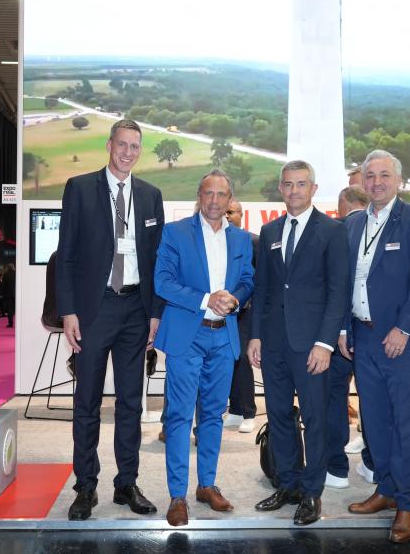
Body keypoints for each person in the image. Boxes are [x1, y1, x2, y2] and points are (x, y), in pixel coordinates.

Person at [56, 118, 164, 521]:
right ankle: (85, 486)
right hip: (94, 309)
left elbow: (156, 261)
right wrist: (68, 310)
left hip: (136, 309)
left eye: (135, 146)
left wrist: (156, 312)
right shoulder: (80, 188)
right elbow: (66, 255)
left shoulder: (150, 195)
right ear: (109, 145)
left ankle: (126, 483)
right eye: (122, 144)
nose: (128, 152)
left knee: (131, 402)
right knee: (86, 401)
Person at [340, 149, 410, 544]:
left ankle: (407, 502)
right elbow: (344, 282)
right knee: (375, 421)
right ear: (361, 182)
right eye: (370, 176)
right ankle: (385, 488)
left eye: (384, 175)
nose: (376, 182)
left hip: (400, 340)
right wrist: (343, 330)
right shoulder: (353, 224)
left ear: (398, 180)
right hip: (362, 337)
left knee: (404, 423)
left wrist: (404, 329)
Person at [249, 160, 350, 526]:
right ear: (281, 188)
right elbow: (262, 289)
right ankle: (288, 484)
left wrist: (325, 343)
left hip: (312, 346)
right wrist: (256, 335)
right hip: (274, 343)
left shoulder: (332, 230)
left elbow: (339, 292)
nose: (294, 190)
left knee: (315, 418)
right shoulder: (270, 230)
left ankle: (311, 492)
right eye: (288, 184)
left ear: (313, 188)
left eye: (301, 184)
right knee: (278, 416)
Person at [154, 170, 254, 526]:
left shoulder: (241, 238)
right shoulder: (175, 232)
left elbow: (247, 280)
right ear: (199, 195)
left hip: (224, 336)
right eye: (208, 193)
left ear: (230, 200)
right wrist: (205, 299)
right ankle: (177, 495)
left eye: (221, 194)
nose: (214, 200)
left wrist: (234, 299)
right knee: (180, 416)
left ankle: (207, 485)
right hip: (187, 335)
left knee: (213, 415)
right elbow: (162, 282)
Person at [325, 183, 372, 491]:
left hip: (338, 331)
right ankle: (372, 464)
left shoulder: (336, 229)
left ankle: (336, 469)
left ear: (343, 203)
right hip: (373, 331)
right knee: (372, 399)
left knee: (334, 398)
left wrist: (338, 329)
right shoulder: (381, 228)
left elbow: (332, 286)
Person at [223, 198, 259, 433]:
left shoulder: (253, 240)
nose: (227, 215)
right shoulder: (215, 240)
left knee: (243, 359)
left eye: (232, 212)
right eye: (225, 212)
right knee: (227, 359)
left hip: (246, 311)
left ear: (241, 215)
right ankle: (235, 410)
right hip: (220, 311)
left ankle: (248, 412)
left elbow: (259, 278)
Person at [2, 263, 16, 328]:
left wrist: (3, 294)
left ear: (8, 268)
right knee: (18, 309)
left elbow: (3, 286)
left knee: (10, 310)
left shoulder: (5, 275)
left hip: (8, 295)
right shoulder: (16, 274)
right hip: (16, 294)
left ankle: (10, 323)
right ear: (13, 267)